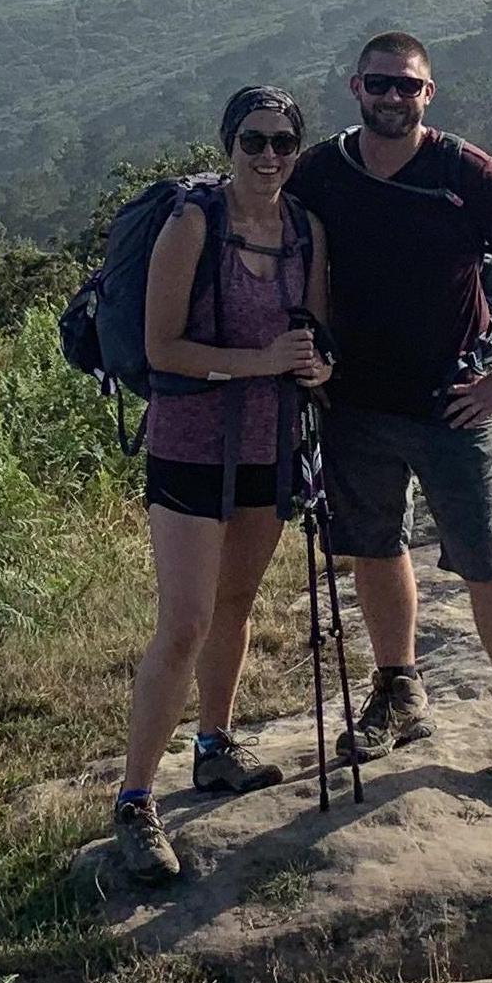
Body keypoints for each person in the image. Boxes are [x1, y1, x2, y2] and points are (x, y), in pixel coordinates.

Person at [289, 30, 492, 803]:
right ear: (354, 88)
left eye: (407, 87)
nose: (392, 98)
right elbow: (293, 256)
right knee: (376, 548)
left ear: (429, 94)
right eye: (379, 85)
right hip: (354, 404)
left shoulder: (463, 171)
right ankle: (399, 690)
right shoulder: (322, 171)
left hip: (453, 402)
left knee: (487, 558)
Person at [109, 84, 333, 887]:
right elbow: (162, 348)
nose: (268, 156)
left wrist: (314, 364)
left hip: (271, 445)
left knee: (237, 603)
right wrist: (263, 363)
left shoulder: (305, 230)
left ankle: (214, 745)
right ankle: (135, 800)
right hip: (191, 447)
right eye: (253, 141)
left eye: (282, 143)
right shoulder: (192, 224)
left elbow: (313, 336)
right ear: (227, 145)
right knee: (186, 621)